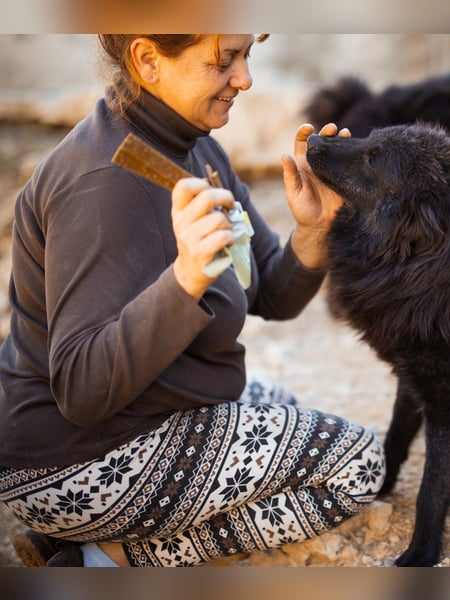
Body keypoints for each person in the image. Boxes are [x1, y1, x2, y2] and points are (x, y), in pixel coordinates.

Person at [0, 34, 386, 567]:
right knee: (356, 462)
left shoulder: (195, 146)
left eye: (247, 55)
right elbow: (81, 392)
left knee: (284, 405)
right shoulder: (103, 183)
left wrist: (315, 230)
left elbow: (270, 294)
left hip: (146, 409)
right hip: (71, 461)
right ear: (148, 60)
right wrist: (185, 279)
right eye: (223, 60)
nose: (245, 78)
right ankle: (101, 558)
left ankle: (69, 541)